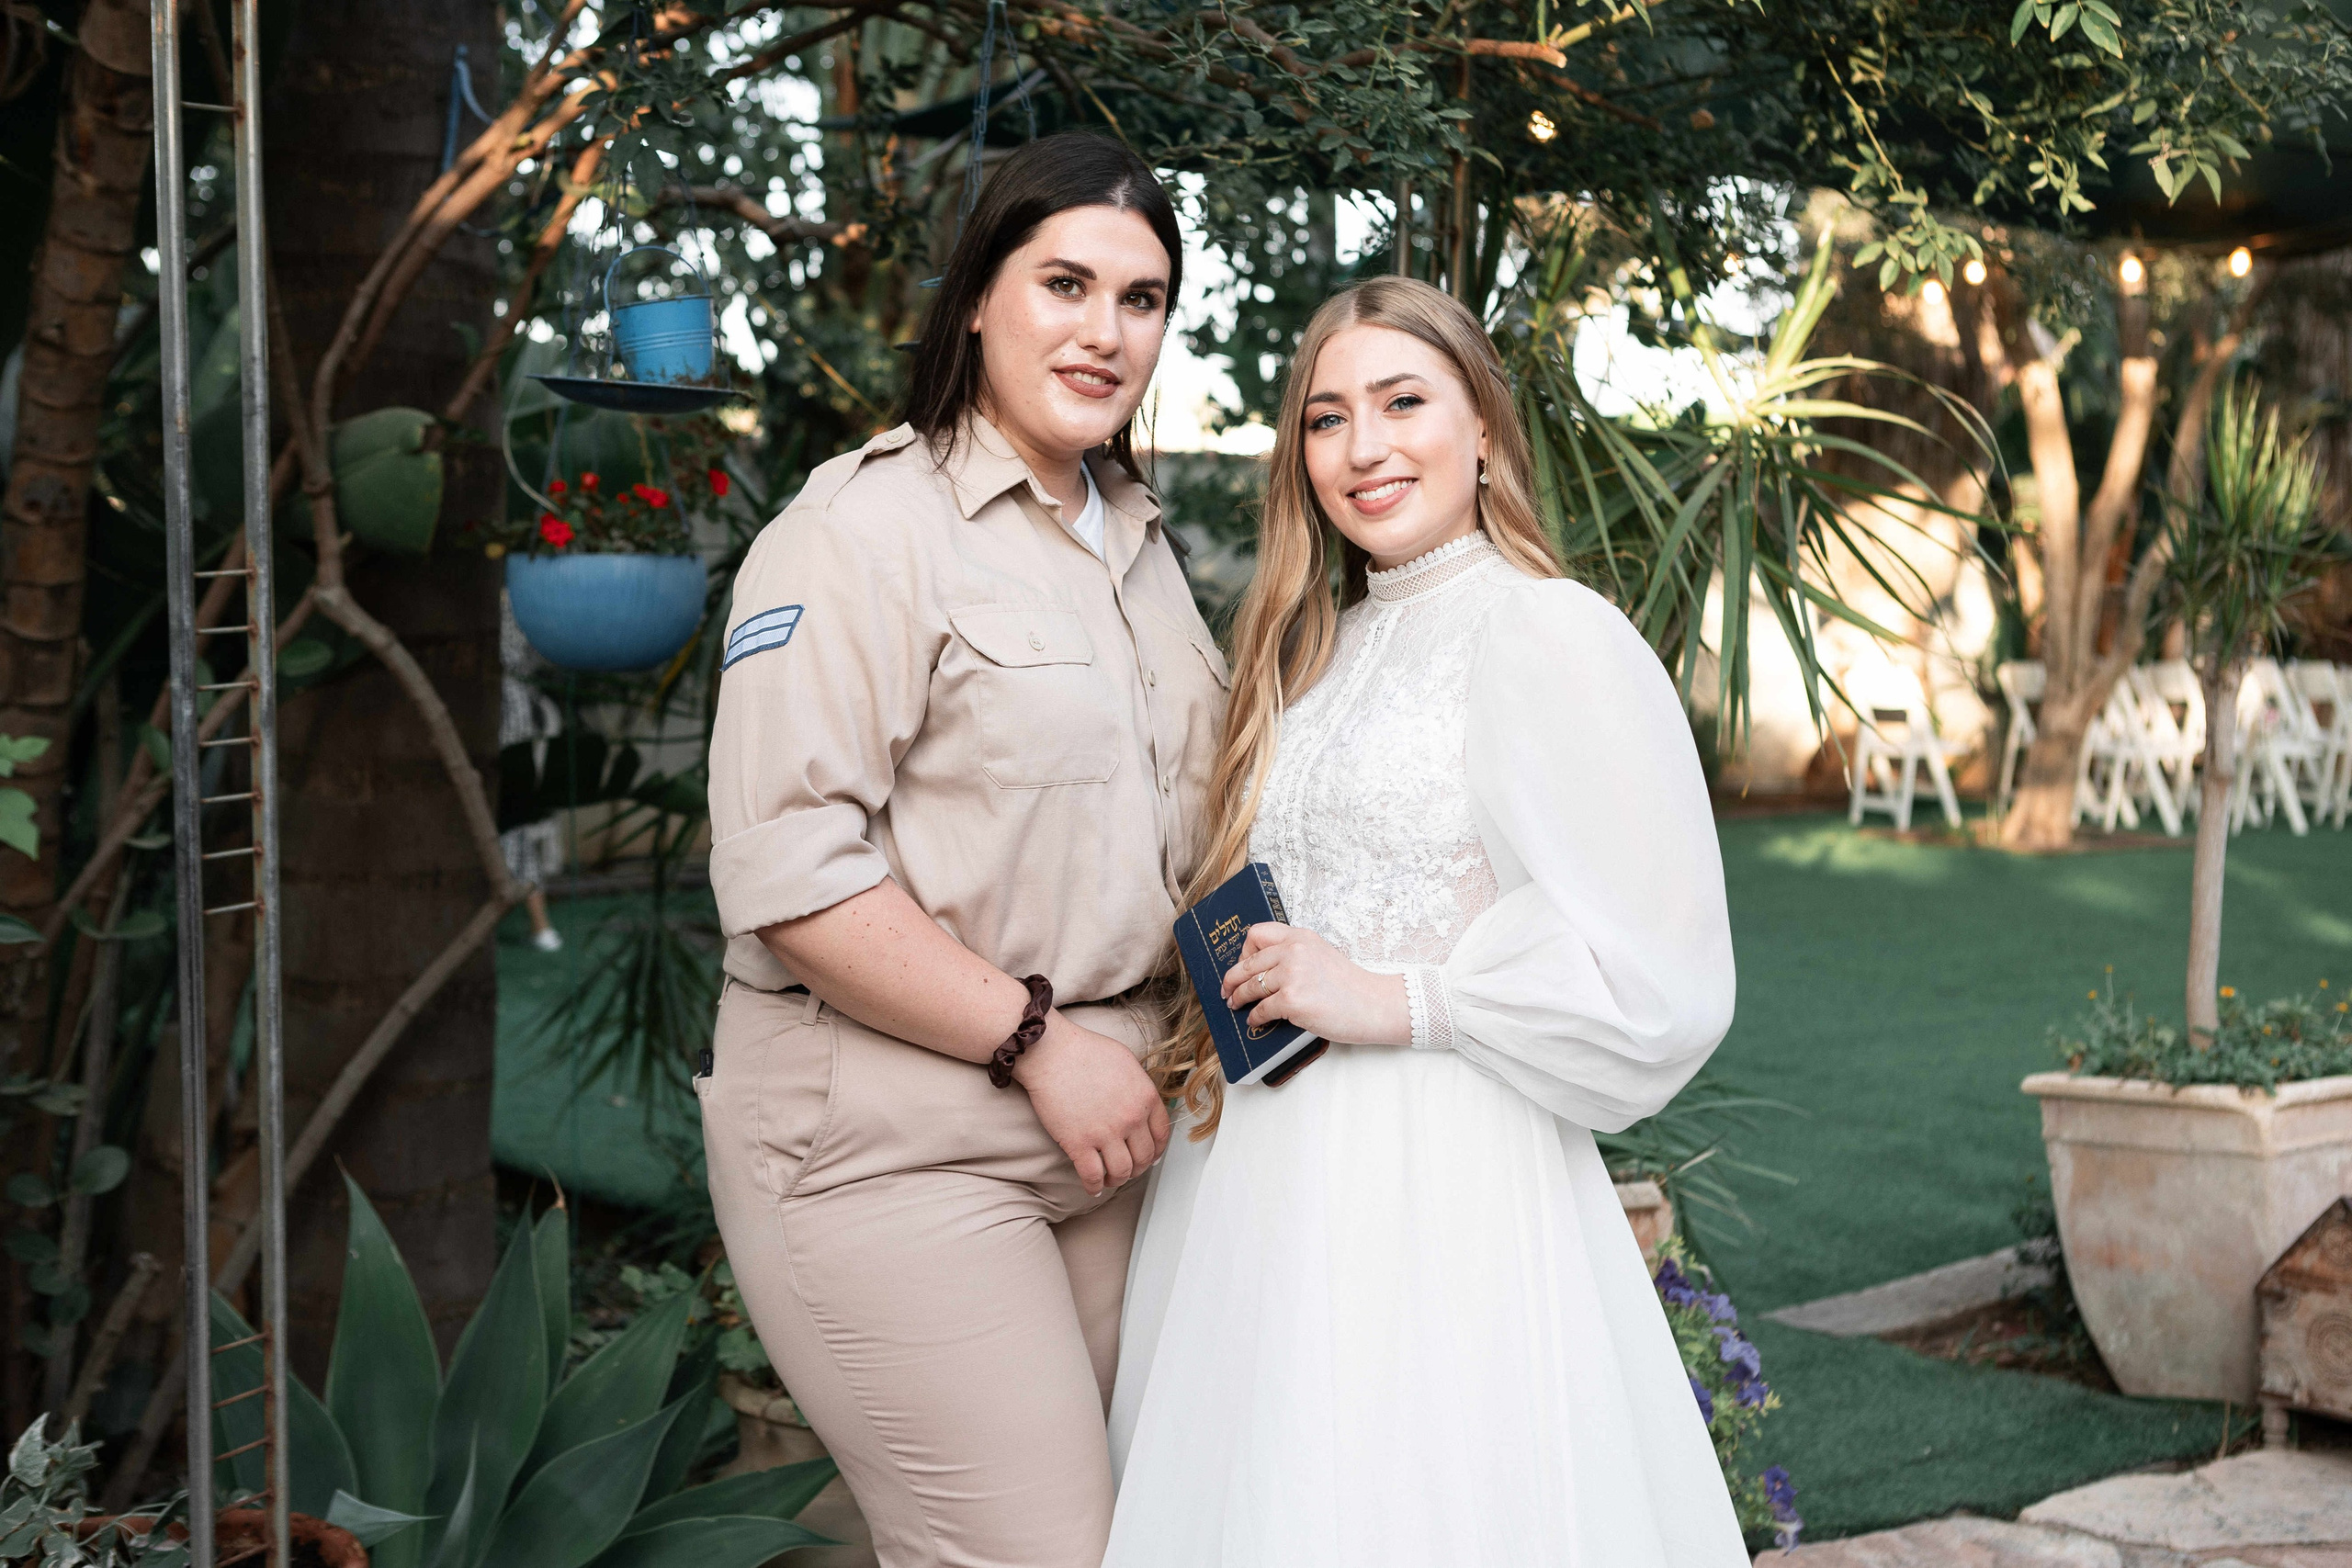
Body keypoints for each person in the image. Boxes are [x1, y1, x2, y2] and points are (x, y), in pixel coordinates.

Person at [1104, 276, 1751, 1566]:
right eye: (1328, 417)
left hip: (1440, 1169)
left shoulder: (1549, 633)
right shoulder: (1310, 651)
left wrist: (1396, 997)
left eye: (1405, 403)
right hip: (1258, 1177)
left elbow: (1661, 975)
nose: (1366, 447)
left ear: (1485, 435)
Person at [701, 131, 1228, 1568]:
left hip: (1111, 1136)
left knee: (1178, 1527)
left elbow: (1180, 837)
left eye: (1141, 299)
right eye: (1064, 283)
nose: (1104, 331)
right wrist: (1037, 1046)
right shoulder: (861, 531)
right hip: (897, 1142)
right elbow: (789, 870)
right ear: (980, 298)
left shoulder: (1137, 537)